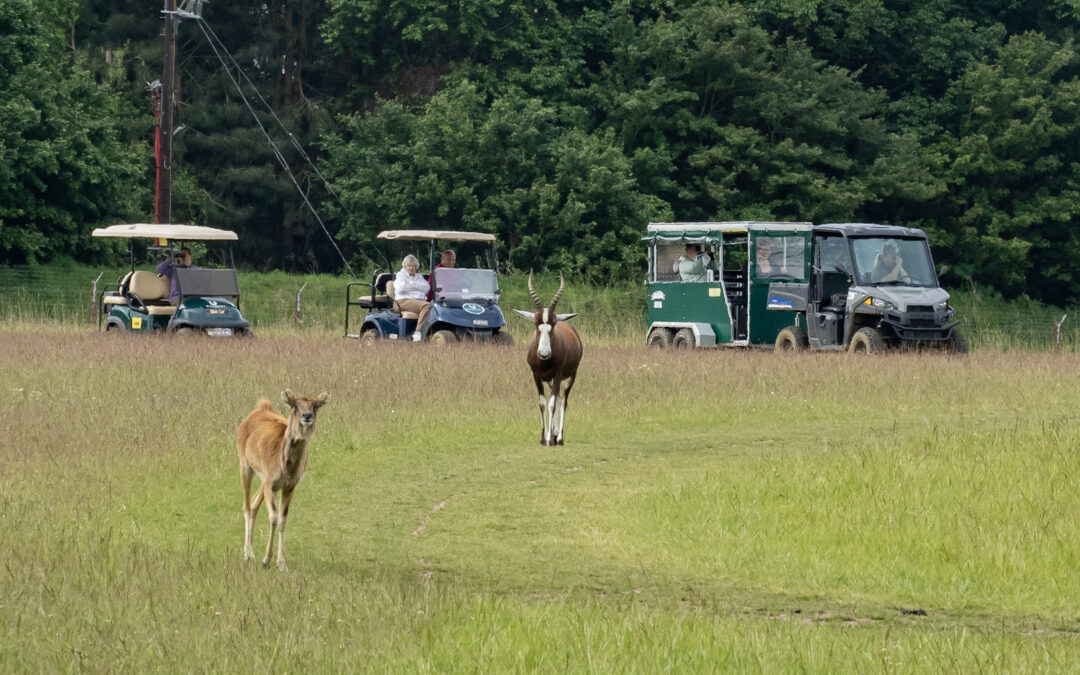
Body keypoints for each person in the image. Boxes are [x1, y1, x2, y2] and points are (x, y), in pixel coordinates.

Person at [393, 254, 432, 341]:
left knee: (435, 306)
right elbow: (400, 288)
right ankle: (418, 332)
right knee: (426, 306)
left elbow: (427, 288)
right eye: (409, 266)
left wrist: (410, 285)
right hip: (402, 301)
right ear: (405, 266)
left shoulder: (419, 277)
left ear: (416, 267)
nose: (411, 268)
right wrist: (417, 286)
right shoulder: (400, 275)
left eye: (413, 266)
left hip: (416, 301)